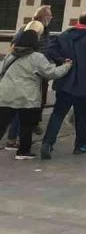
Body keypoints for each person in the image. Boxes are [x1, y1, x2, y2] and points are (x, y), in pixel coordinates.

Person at [41, 12, 86, 159]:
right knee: (82, 115)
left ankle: (47, 143)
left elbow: (50, 50)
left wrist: (62, 60)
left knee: (58, 114)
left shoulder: (65, 35)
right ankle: (80, 144)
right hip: (84, 84)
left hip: (65, 82)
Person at [0, 30, 72, 160]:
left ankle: (14, 145)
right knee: (27, 125)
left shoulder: (10, 55)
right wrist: (66, 66)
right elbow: (51, 73)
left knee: (2, 124)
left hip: (6, 94)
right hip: (28, 97)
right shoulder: (37, 57)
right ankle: (23, 152)